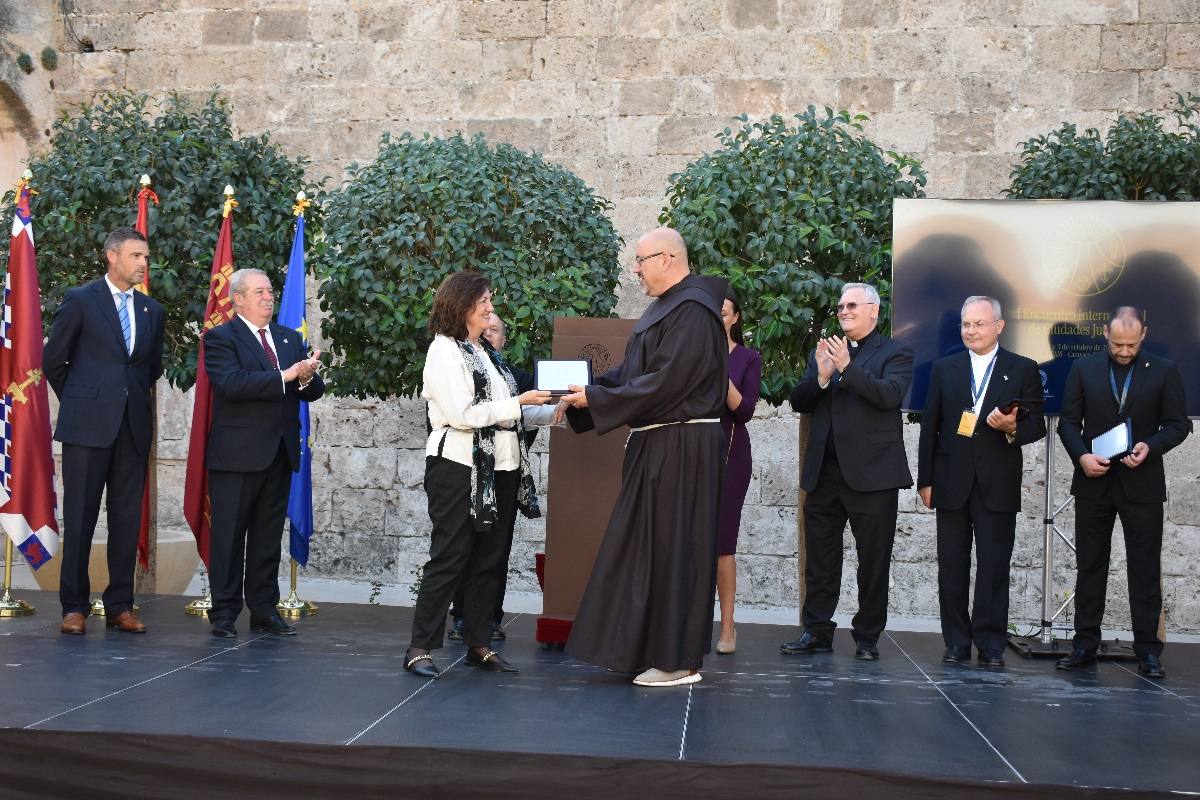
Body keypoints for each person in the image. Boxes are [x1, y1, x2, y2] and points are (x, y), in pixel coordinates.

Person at [557, 227, 727, 688]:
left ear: (668, 259)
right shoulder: (669, 307)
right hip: (660, 445)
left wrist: (599, 400)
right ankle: (645, 649)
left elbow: (667, 383)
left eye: (641, 261)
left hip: (682, 448)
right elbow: (635, 374)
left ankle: (677, 660)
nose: (634, 270)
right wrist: (588, 394)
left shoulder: (692, 311)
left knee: (675, 549)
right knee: (647, 549)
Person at [404, 273, 555, 679]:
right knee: (451, 556)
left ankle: (479, 644)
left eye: (489, 301)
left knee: (490, 559)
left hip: (500, 467)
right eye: (484, 301)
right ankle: (420, 648)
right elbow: (463, 415)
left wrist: (559, 409)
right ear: (462, 305)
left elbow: (511, 412)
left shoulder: (485, 352)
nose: (490, 308)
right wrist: (519, 401)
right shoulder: (444, 351)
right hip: (457, 466)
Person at [1055, 307, 1190, 678]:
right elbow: (1068, 422)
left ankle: (1148, 652)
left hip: (1142, 485)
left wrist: (1151, 446)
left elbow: (1178, 425)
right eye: (1117, 344)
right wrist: (1081, 456)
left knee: (1144, 570)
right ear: (1105, 334)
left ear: (1143, 335)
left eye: (1131, 344)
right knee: (1090, 567)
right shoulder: (1084, 369)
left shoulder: (1164, 370)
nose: (1125, 351)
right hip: (1094, 482)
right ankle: (1084, 645)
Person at [780, 283, 912, 661]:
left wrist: (847, 369)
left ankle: (867, 637)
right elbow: (800, 402)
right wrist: (821, 377)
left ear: (874, 310)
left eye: (852, 304)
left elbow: (889, 396)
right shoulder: (824, 351)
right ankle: (816, 631)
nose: (843, 310)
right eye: (840, 306)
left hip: (873, 478)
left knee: (873, 561)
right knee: (820, 560)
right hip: (824, 475)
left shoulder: (896, 352)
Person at [44, 227, 165, 635]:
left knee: (126, 521)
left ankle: (120, 605)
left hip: (132, 430)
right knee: (79, 518)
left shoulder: (152, 311)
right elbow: (54, 361)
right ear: (112, 256)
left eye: (145, 256)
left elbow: (150, 369)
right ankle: (74, 607)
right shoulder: (81, 300)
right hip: (87, 430)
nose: (143, 263)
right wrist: (84, 400)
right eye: (136, 255)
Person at [917, 296, 1046, 668]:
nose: (971, 331)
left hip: (997, 484)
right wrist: (926, 480)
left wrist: (1012, 428)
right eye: (966, 324)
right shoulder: (944, 368)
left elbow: (1036, 423)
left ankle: (990, 642)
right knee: (952, 566)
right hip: (951, 482)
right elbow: (931, 426)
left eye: (979, 324)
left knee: (993, 566)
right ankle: (956, 641)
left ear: (999, 326)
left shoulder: (1022, 368)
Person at [203, 268, 324, 639]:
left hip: (279, 451)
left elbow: (311, 391)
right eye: (258, 292)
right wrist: (288, 376)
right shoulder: (221, 338)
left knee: (267, 537)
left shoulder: (288, 339)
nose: (268, 298)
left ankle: (263, 609)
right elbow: (232, 384)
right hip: (236, 456)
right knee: (228, 537)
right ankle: (223, 612)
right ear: (237, 299)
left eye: (270, 291)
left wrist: (305, 375)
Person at [447, 312, 537, 643]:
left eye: (495, 330)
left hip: (506, 471)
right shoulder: (461, 368)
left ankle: (490, 619)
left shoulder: (516, 378)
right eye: (484, 328)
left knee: (496, 551)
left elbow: (533, 415)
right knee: (466, 547)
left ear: (503, 340)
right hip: (469, 472)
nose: (488, 333)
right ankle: (461, 618)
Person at [715, 289, 761, 655]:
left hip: (731, 455)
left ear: (735, 318)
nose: (717, 316)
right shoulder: (690, 353)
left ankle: (728, 627)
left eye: (724, 312)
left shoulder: (747, 358)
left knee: (723, 544)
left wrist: (718, 368)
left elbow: (744, 411)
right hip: (693, 452)